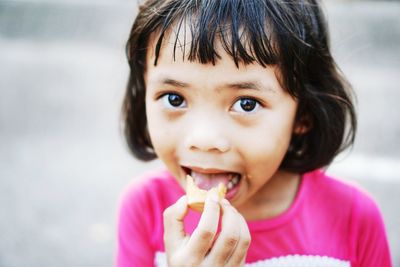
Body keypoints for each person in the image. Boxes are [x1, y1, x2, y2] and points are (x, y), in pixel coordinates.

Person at [116, 0, 392, 266]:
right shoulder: (145, 209)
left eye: (246, 104)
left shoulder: (353, 218)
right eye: (174, 99)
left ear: (303, 115)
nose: (204, 140)